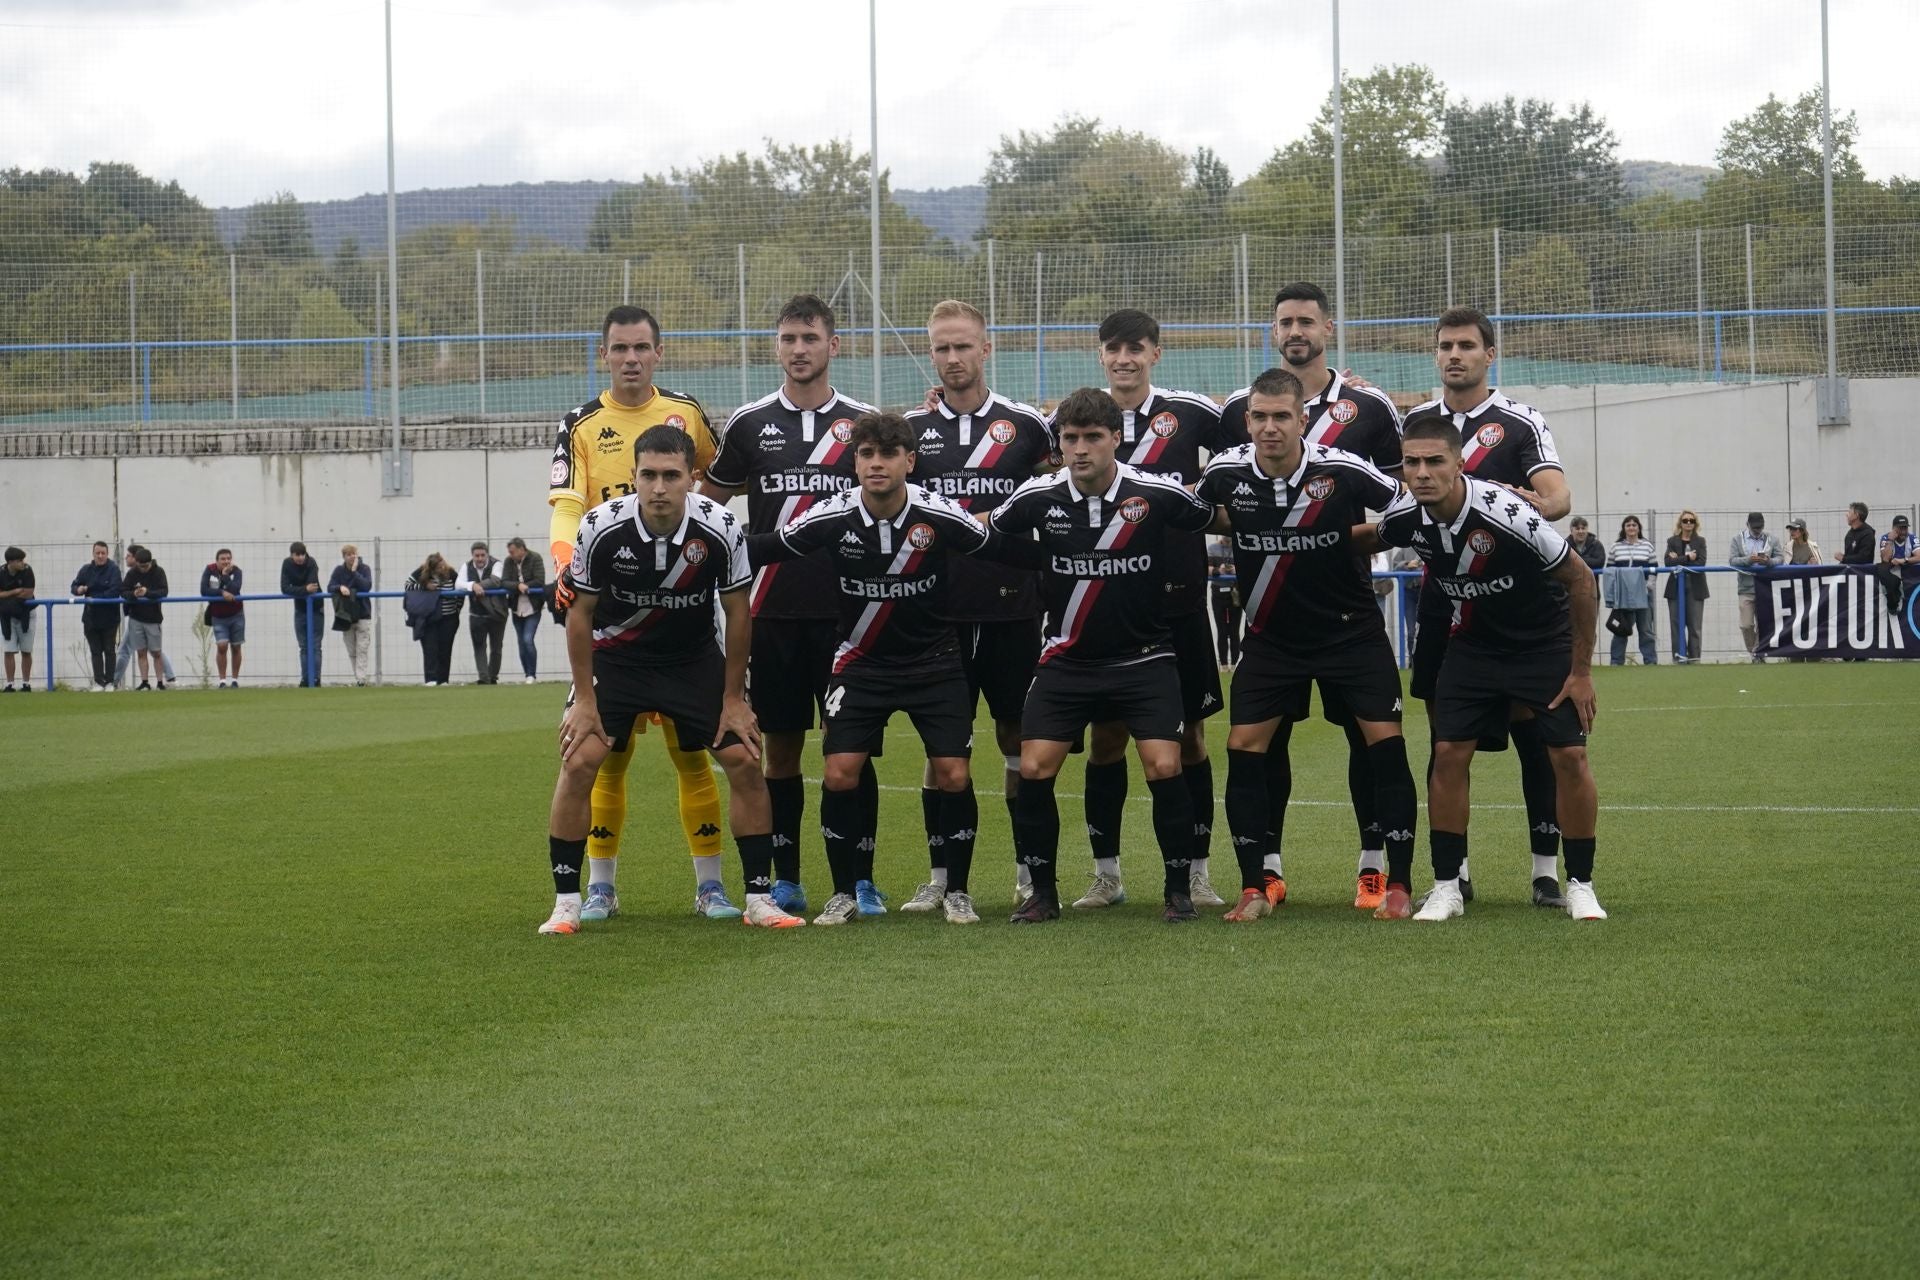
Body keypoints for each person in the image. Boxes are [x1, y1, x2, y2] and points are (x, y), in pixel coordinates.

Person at [750, 414, 1044, 925]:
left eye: (888, 455)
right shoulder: (830, 515)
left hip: (934, 663)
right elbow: (768, 548)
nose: (876, 464)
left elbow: (1003, 549)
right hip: (860, 665)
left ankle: (957, 890)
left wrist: (1074, 553)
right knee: (840, 773)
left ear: (909, 461)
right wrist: (707, 545)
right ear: (855, 461)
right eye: (866, 454)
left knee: (953, 773)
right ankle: (844, 891)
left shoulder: (938, 513)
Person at [540, 425, 803, 934]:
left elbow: (738, 613)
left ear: (692, 478)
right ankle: (567, 900)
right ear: (634, 477)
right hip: (616, 659)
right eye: (648, 475)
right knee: (580, 761)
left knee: (745, 759)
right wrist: (586, 702)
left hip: (691, 660)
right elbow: (580, 616)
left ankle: (758, 898)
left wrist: (733, 699)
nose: (658, 487)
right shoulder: (598, 526)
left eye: (670, 476)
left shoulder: (721, 526)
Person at [987, 387, 1219, 924]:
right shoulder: (1038, 498)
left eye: (1094, 437)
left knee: (1164, 763)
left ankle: (1178, 890)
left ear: (1116, 438)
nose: (1082, 448)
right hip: (1067, 662)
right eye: (1071, 438)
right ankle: (1042, 894)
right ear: (1059, 444)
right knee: (1034, 765)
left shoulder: (1156, 493)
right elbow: (992, 534)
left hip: (1145, 659)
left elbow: (1210, 516)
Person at [1196, 367, 1420, 921]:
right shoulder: (1224, 471)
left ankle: (1396, 881)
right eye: (1261, 418)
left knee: (1384, 746)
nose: (1270, 428)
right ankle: (1256, 885)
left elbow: (1408, 509)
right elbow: (1196, 514)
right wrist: (1251, 529)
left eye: (1282, 417)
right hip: (1273, 639)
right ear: (1247, 421)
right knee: (1244, 748)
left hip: (1351, 632)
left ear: (1302, 420)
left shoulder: (1341, 468)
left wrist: (1352, 538)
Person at [1371, 413, 1607, 922]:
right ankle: (1446, 887)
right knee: (1448, 752)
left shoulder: (1507, 513)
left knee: (1568, 756)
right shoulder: (1406, 516)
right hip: (1473, 647)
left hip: (1541, 644)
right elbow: (1365, 537)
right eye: (1412, 462)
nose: (1422, 472)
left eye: (1435, 461)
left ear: (1459, 464)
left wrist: (1581, 672)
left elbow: (1582, 580)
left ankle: (1581, 884)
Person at [549, 304, 736, 919]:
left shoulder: (687, 413)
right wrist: (563, 562)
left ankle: (710, 885)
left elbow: (723, 476)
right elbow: (568, 503)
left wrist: (696, 546)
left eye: (641, 348)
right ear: (603, 354)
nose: (630, 358)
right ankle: (600, 885)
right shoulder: (580, 423)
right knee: (607, 750)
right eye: (619, 349)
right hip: (611, 601)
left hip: (682, 603)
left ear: (659, 352)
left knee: (693, 751)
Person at [700, 294, 878, 916]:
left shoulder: (864, 425)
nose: (798, 349)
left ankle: (861, 879)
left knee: (847, 748)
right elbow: (710, 509)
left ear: (835, 345)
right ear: (776, 348)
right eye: (788, 339)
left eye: (809, 337)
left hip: (848, 615)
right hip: (770, 614)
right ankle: (788, 877)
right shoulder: (750, 425)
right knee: (779, 750)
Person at [1063, 308, 1233, 912]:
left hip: (1179, 605)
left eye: (1135, 347)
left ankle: (1198, 872)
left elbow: (1270, 428)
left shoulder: (1190, 413)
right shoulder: (1080, 418)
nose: (1124, 358)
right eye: (1113, 348)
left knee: (1189, 739)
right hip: (1102, 611)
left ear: (1155, 353)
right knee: (1106, 741)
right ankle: (1107, 876)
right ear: (1100, 355)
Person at [1403, 308, 1574, 906]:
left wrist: (1533, 507)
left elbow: (1557, 496)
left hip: (1514, 610)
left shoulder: (1520, 421)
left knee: (1537, 742)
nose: (1454, 355)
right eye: (1445, 345)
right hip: (1444, 608)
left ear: (1489, 354)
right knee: (1445, 742)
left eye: (1467, 346)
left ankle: (1545, 871)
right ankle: (1456, 874)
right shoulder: (1418, 423)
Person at [903, 299, 1056, 912]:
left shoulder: (1027, 427)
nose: (952, 358)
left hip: (1013, 610)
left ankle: (1026, 871)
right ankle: (941, 875)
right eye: (942, 348)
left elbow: (1074, 470)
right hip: (934, 614)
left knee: (1017, 737)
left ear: (985, 349)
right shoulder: (912, 433)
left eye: (963, 346)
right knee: (942, 749)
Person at [112, 547, 177, 690]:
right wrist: (134, 594)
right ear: (137, 563)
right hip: (136, 618)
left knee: (156, 652)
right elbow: (123, 591)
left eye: (146, 566)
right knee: (140, 652)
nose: (143, 569)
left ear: (150, 562)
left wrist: (148, 593)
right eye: (140, 566)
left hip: (153, 619)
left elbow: (163, 592)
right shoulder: (132, 573)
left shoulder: (159, 572)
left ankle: (161, 682)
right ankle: (144, 682)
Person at [1729, 512, 1785, 660]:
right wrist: (1748, 560)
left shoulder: (1773, 539)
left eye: (1760, 527)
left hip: (1765, 587)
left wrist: (1768, 562)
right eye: (1754, 528)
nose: (1757, 530)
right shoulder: (1736, 539)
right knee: (1746, 625)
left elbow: (1780, 558)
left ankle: (1758, 654)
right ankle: (1754, 651)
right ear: (1747, 525)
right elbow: (1732, 561)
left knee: (1763, 624)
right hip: (1746, 588)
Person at [1603, 516, 1658, 666]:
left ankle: (1650, 661)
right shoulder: (1616, 547)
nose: (1631, 527)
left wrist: (1648, 587)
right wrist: (1614, 593)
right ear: (1624, 528)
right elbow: (1610, 570)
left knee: (1646, 629)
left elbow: (1654, 568)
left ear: (1639, 528)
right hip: (1623, 595)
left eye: (1634, 525)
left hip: (1643, 594)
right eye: (1628, 525)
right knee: (1620, 629)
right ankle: (1616, 661)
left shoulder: (1647, 546)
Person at [70, 541, 121, 691]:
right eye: (97, 553)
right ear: (93, 554)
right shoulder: (86, 570)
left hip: (110, 618)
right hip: (90, 617)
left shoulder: (114, 570)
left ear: (107, 554)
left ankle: (110, 682)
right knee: (95, 650)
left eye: (103, 553)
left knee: (109, 650)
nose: (100, 556)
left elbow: (114, 590)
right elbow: (73, 586)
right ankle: (99, 682)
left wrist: (95, 598)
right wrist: (79, 589)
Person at [405, 553, 462, 685]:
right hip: (428, 617)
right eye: (437, 567)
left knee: (445, 649)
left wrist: (457, 609)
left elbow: (460, 590)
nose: (441, 569)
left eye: (442, 565)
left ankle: (443, 680)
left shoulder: (452, 573)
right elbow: (407, 585)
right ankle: (431, 679)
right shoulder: (421, 572)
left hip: (449, 617)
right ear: (431, 568)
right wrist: (424, 586)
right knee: (430, 649)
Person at [457, 541, 507, 685]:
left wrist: (478, 586)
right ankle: (484, 678)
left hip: (497, 613)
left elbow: (496, 580)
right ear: (472, 555)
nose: (479, 558)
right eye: (476, 555)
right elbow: (458, 584)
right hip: (476, 614)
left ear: (487, 555)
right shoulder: (466, 566)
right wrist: (472, 585)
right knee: (479, 646)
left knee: (496, 648)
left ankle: (493, 677)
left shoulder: (497, 564)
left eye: (482, 555)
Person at [1663, 511, 1709, 663]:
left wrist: (1679, 559)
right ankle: (1678, 659)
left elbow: (1701, 563)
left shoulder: (1700, 541)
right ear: (1680, 523)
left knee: (1695, 626)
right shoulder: (1672, 541)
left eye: (1691, 520)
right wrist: (1688, 557)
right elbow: (1668, 562)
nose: (1688, 523)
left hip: (1695, 587)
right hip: (1675, 586)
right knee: (1676, 625)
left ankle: (1694, 659)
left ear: (1695, 523)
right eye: (1685, 520)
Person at [501, 536, 545, 683]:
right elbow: (504, 582)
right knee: (521, 642)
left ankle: (532, 673)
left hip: (533, 607)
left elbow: (540, 580)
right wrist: (517, 586)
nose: (511, 555)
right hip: (516, 608)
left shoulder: (535, 558)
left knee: (528, 639)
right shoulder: (509, 561)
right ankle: (527, 674)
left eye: (513, 551)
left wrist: (527, 586)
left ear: (521, 549)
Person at [329, 545, 374, 685]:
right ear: (344, 556)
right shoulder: (338, 570)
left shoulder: (364, 568)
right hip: (346, 615)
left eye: (354, 554)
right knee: (351, 649)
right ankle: (359, 678)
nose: (352, 557)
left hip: (363, 614)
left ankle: (361, 679)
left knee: (362, 648)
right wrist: (339, 587)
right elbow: (330, 586)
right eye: (348, 554)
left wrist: (354, 572)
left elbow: (366, 586)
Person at [201, 549, 245, 688]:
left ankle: (235, 680)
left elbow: (235, 589)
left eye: (228, 558)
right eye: (223, 559)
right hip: (218, 615)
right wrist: (221, 592)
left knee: (236, 646)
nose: (226, 561)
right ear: (217, 560)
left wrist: (226, 576)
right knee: (222, 646)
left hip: (236, 614)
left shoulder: (236, 571)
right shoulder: (209, 570)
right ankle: (222, 681)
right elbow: (204, 590)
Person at [281, 541, 323, 686]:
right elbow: (284, 588)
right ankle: (305, 679)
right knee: (304, 646)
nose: (300, 558)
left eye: (302, 555)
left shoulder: (311, 563)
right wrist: (304, 589)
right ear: (291, 555)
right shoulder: (287, 564)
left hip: (316, 608)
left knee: (316, 645)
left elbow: (313, 586)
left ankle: (316, 679)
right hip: (300, 609)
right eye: (297, 555)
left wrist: (298, 589)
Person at [0, 547, 36, 692]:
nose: (23, 563)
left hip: (26, 613)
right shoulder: (1, 572)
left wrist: (6, 596)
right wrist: (15, 592)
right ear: (10, 562)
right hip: (7, 616)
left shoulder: (27, 570)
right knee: (9, 650)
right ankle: (10, 684)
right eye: (19, 560)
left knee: (26, 650)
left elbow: (28, 592)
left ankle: (26, 683)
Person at [1208, 540, 1241, 668]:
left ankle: (1234, 664)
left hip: (1235, 593)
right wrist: (1218, 570)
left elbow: (1248, 566)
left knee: (1234, 630)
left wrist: (1235, 570)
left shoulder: (1239, 545)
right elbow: (1206, 567)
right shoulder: (1212, 547)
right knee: (1221, 630)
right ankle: (1223, 664)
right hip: (1217, 593)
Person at [1879, 514, 1918, 615]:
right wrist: (1891, 540)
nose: (1903, 531)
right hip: (1891, 574)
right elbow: (1885, 559)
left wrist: (1904, 560)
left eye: (1905, 528)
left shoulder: (1912, 538)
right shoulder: (1885, 538)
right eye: (1900, 528)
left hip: (1907, 574)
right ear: (1893, 528)